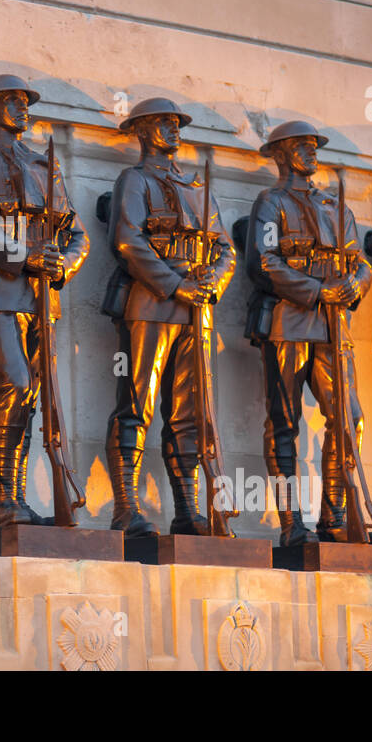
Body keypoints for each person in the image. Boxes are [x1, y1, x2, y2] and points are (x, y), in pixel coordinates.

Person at [0, 74, 89, 527]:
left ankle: (18, 499)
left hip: (42, 295)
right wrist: (26, 255)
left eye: (25, 100)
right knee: (15, 385)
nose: (22, 107)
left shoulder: (47, 165)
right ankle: (3, 499)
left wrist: (62, 263)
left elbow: (76, 233)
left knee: (33, 399)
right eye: (11, 100)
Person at [101, 98, 235, 538]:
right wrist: (177, 285)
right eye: (163, 122)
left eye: (176, 123)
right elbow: (127, 241)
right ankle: (126, 506)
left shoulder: (199, 188)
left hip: (197, 309)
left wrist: (211, 283)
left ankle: (188, 510)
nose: (173, 128)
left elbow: (225, 250)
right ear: (141, 131)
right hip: (152, 302)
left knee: (188, 415)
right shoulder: (134, 180)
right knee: (136, 405)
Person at [243, 120, 372, 546]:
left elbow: (359, 262)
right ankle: (291, 524)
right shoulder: (271, 202)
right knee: (284, 424)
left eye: (312, 145)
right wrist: (318, 291)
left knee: (350, 418)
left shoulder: (336, 208)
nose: (309, 150)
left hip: (335, 327)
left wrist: (355, 284)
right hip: (289, 321)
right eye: (299, 146)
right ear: (281, 154)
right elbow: (264, 261)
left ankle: (335, 517)